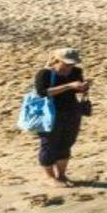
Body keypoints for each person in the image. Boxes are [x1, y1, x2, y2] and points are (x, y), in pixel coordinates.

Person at [33, 48, 90, 184]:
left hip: (72, 111)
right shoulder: (44, 74)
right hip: (50, 113)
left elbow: (77, 89)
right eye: (67, 63)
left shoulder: (76, 71)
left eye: (72, 64)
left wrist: (83, 87)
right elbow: (42, 92)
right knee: (49, 144)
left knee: (67, 142)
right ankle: (49, 177)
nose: (70, 66)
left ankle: (62, 175)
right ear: (56, 60)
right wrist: (69, 86)